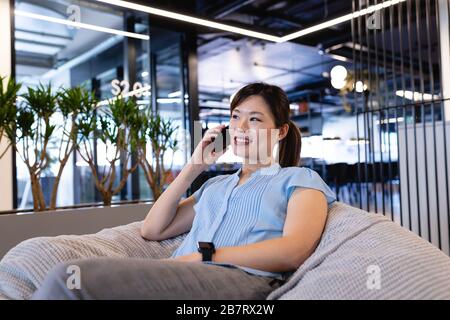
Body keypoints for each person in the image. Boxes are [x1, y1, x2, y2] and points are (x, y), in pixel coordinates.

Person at [32, 82, 336, 300]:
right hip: (182, 274)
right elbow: (153, 229)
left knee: (70, 278)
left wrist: (205, 257)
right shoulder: (215, 185)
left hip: (240, 280)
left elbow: (295, 250)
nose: (241, 127)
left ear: (280, 131)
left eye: (254, 119)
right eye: (235, 116)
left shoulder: (299, 179)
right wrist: (193, 168)